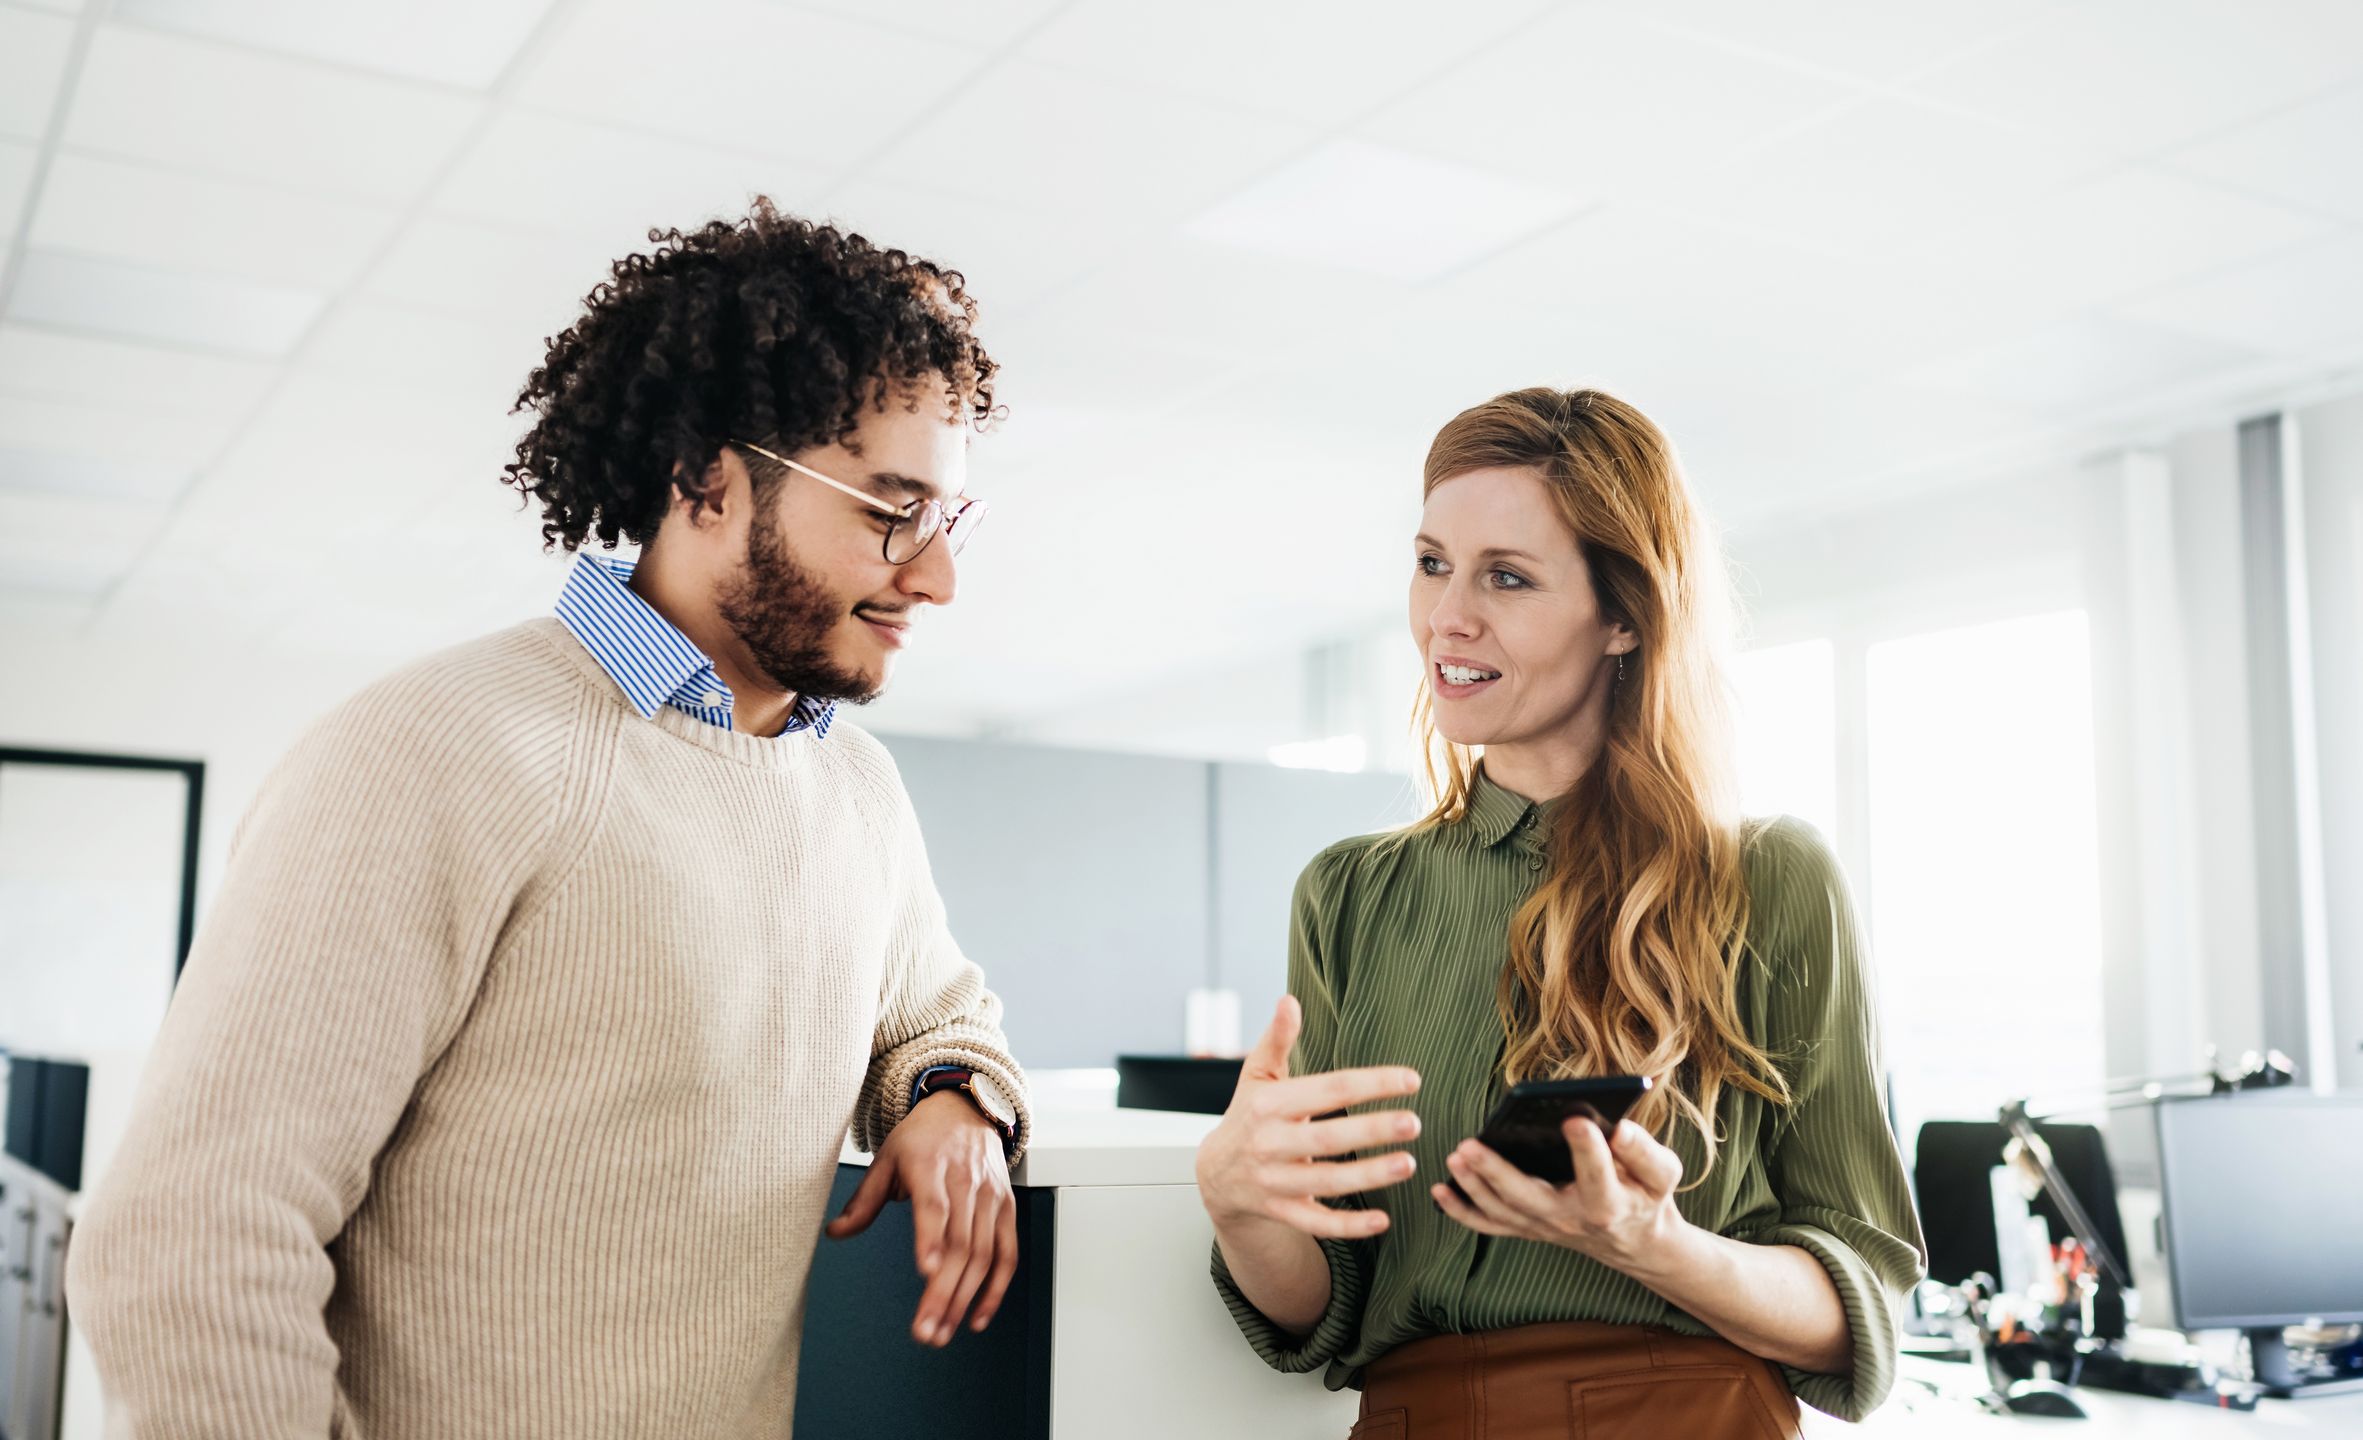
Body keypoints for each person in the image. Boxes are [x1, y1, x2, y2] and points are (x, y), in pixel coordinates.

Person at [68, 200, 1030, 1440]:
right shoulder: (430, 751)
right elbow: (184, 1247)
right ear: (705, 478)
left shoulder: (857, 792)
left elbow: (942, 1011)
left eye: (949, 517)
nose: (937, 574)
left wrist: (952, 1098)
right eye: (889, 511)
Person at [1194, 387, 1926, 1438]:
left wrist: (1650, 1243)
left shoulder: (1770, 880)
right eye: (1431, 562)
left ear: (1623, 617)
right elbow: (1325, 1306)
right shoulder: (1349, 893)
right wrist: (1236, 1202)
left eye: (1507, 577)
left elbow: (1857, 1318)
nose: (1447, 615)